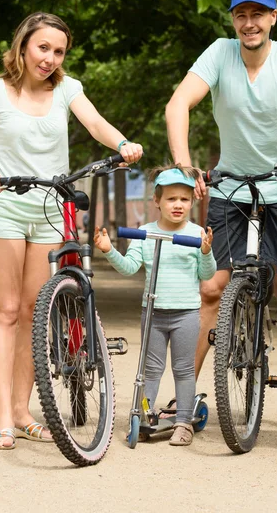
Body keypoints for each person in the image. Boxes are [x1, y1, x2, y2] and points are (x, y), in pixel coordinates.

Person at [0, 12, 143, 450]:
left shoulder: (67, 90)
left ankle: (22, 411)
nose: (50, 58)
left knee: (37, 313)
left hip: (51, 209)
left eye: (58, 52)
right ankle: (2, 416)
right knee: (7, 310)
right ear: (23, 46)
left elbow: (94, 124)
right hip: (7, 210)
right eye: (43, 48)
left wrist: (122, 143)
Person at [165, 0, 277, 431]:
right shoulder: (219, 52)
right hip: (230, 188)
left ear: (274, 18)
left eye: (259, 14)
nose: (249, 23)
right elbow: (179, 105)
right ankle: (184, 398)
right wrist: (183, 164)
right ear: (233, 20)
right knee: (212, 288)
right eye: (241, 15)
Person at [94, 165, 216, 446]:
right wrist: (109, 250)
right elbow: (129, 267)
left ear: (192, 202)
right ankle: (144, 415)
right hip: (153, 313)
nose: (178, 205)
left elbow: (207, 275)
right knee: (150, 369)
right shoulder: (144, 233)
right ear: (157, 201)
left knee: (183, 369)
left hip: (186, 313)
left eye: (184, 200)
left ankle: (183, 421)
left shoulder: (196, 234)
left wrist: (206, 251)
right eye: (171, 199)